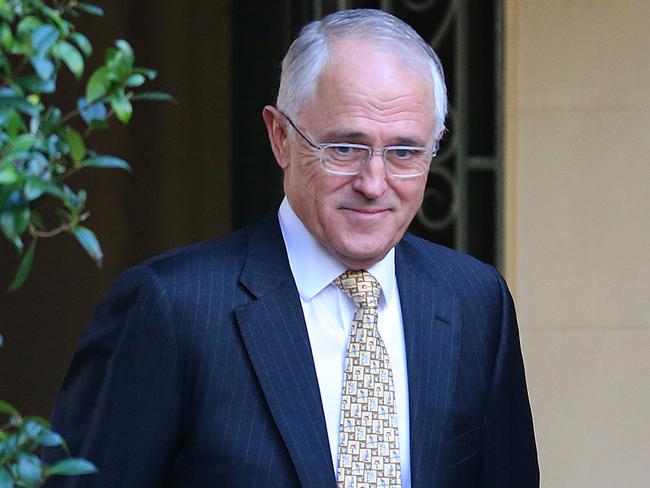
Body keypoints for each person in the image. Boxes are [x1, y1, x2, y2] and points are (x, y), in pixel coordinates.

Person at [45, 9, 539, 488]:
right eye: (344, 148)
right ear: (281, 137)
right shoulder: (172, 307)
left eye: (404, 152)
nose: (374, 182)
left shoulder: (475, 300)